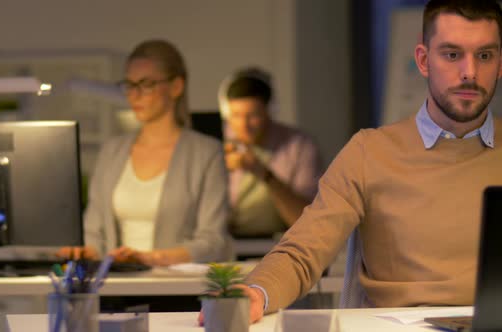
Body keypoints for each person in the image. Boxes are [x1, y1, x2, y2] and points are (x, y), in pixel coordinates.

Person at [201, 0, 502, 324]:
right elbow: (304, 248)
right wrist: (258, 292)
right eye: (452, 54)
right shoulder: (369, 152)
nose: (470, 72)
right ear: (424, 60)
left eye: (484, 55)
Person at [59, 39, 230, 266]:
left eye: (146, 84)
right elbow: (94, 230)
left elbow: (213, 241)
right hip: (116, 288)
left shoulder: (206, 153)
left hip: (177, 290)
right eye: (129, 85)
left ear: (176, 87)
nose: (134, 95)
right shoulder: (112, 151)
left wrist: (151, 258)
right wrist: (85, 251)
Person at [219, 68, 322, 237]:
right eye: (236, 115)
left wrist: (264, 174)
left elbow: (304, 222)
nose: (244, 125)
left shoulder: (299, 146)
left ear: (270, 111)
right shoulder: (217, 143)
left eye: (253, 116)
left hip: (279, 245)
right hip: (226, 245)